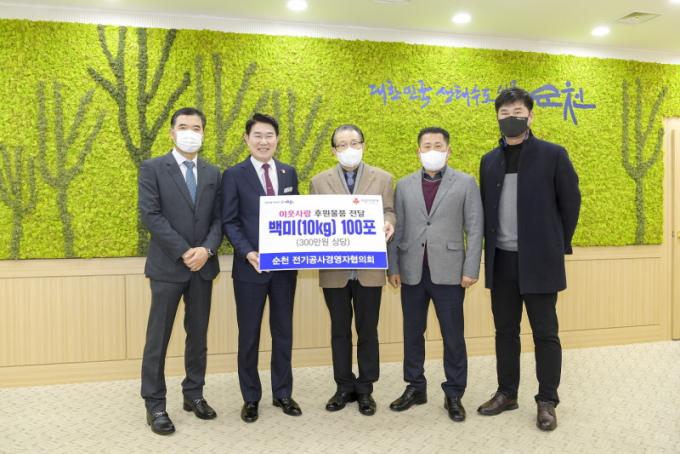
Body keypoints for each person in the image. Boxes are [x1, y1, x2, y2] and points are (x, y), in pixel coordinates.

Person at [477, 87, 581, 431]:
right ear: (497, 117)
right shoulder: (489, 161)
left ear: (530, 116)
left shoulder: (553, 155)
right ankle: (507, 393)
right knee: (505, 332)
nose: (512, 118)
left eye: (518, 112)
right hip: (502, 261)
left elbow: (571, 204)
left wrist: (556, 244)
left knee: (545, 333)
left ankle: (547, 400)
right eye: (505, 114)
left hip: (539, 261)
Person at [387, 127, 483, 422]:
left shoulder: (465, 183)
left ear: (448, 150)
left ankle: (454, 392)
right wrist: (393, 266)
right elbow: (396, 229)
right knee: (412, 333)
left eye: (438, 146)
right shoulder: (404, 185)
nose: (432, 151)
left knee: (453, 335)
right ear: (418, 151)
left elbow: (475, 228)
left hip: (451, 272)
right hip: (412, 271)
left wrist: (471, 268)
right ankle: (415, 386)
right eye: (426, 146)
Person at [138, 107, 222, 435]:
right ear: (172, 132)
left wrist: (207, 250)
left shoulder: (213, 172)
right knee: (158, 338)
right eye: (183, 126)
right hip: (168, 266)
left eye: (196, 127)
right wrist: (185, 251)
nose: (190, 132)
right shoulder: (153, 168)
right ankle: (155, 404)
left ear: (203, 133)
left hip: (203, 267)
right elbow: (151, 214)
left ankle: (194, 394)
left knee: (197, 335)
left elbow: (218, 219)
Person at [309, 124, 396, 416]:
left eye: (354, 143)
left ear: (363, 145)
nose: (349, 149)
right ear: (333, 151)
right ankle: (344, 386)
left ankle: (366, 388)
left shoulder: (383, 178)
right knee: (339, 330)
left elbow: (390, 210)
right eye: (342, 145)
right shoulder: (318, 182)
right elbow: (312, 220)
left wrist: (389, 222)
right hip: (334, 270)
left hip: (369, 268)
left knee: (368, 330)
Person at [221, 113, 300, 423]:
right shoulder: (234, 174)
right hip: (249, 270)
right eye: (258, 135)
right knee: (249, 335)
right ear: (247, 139)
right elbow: (230, 220)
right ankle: (251, 397)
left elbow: (296, 216)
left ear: (277, 139)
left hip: (284, 271)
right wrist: (248, 252)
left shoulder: (288, 172)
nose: (264, 141)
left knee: (283, 332)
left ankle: (283, 393)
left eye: (269, 135)